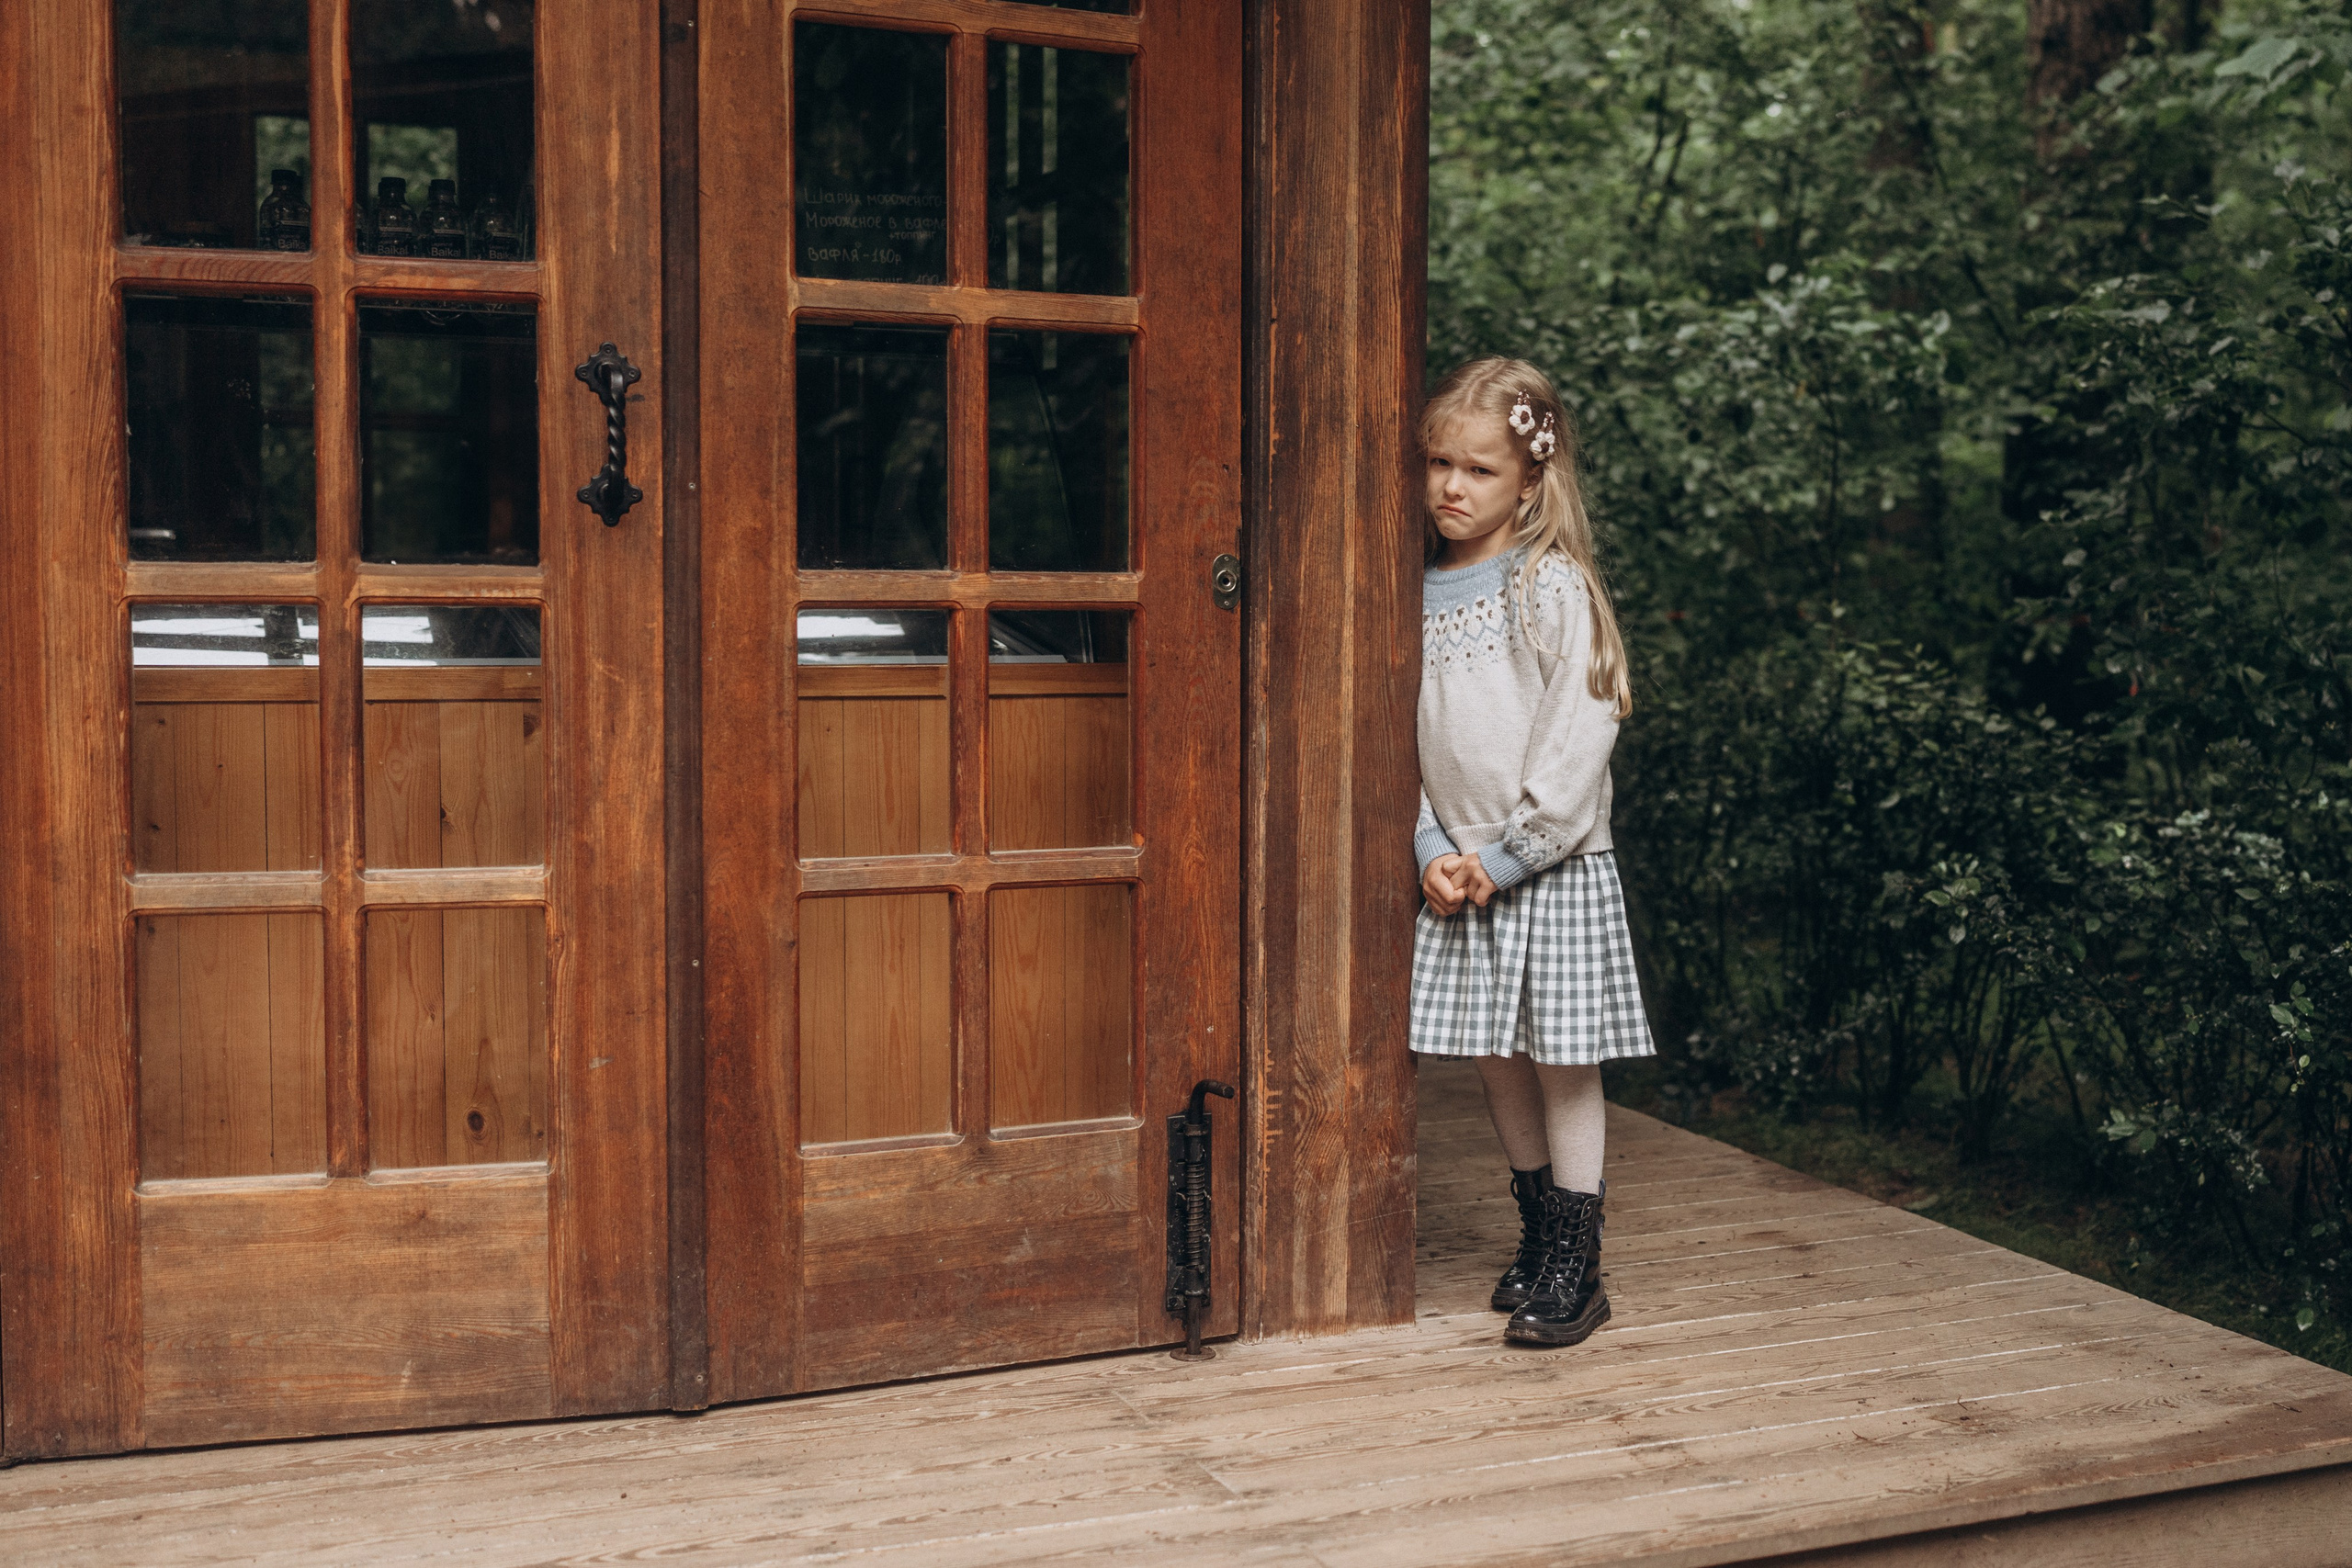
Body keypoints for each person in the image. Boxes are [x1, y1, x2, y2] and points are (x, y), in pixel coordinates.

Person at [1413, 355, 1656, 1348]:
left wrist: (1514, 851)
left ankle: (1578, 1263)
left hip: (1542, 868)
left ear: (1529, 479)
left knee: (1562, 1065)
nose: (1449, 487)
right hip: (1456, 870)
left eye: (1476, 470)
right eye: (1437, 463)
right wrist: (1426, 841)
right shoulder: (1411, 589)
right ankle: (1536, 1235)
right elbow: (1393, 738)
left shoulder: (1548, 586)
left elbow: (1582, 725)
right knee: (1495, 1060)